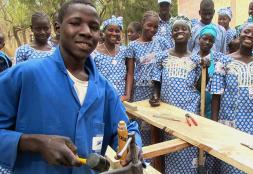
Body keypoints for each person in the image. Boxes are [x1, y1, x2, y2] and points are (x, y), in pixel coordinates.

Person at [0, 1, 142, 174]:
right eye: (75, 23)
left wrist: (133, 147)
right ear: (58, 28)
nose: (86, 32)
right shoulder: (24, 76)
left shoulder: (104, 89)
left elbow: (127, 129)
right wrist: (34, 143)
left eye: (94, 27)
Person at [206, 23, 253, 174]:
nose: (249, 35)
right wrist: (215, 125)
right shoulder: (224, 61)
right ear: (239, 34)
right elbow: (216, 95)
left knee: (251, 164)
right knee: (230, 165)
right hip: (229, 123)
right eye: (246, 32)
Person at [152, 16, 201, 174]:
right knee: (170, 146)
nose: (180, 31)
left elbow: (200, 86)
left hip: (189, 110)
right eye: (176, 29)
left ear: (190, 34)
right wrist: (155, 95)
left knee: (187, 146)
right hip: (168, 111)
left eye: (184, 29)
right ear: (171, 34)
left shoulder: (196, 59)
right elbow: (156, 81)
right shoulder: (162, 56)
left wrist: (206, 66)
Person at [126, 11, 170, 148]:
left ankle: (158, 161)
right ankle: (143, 158)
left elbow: (171, 58)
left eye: (155, 27)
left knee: (158, 124)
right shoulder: (132, 46)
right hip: (140, 91)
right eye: (149, 25)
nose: (152, 29)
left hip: (158, 91)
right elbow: (130, 73)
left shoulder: (161, 42)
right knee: (141, 126)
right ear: (142, 23)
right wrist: (128, 94)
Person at [93, 16, 131, 101]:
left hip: (121, 99)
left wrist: (127, 95)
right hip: (102, 99)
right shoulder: (95, 53)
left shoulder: (124, 51)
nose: (114, 33)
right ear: (103, 32)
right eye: (110, 30)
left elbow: (130, 73)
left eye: (117, 31)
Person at [195, 24, 228, 118]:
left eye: (211, 40)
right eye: (204, 38)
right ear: (199, 38)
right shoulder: (192, 58)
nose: (207, 42)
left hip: (212, 105)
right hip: (195, 103)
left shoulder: (219, 58)